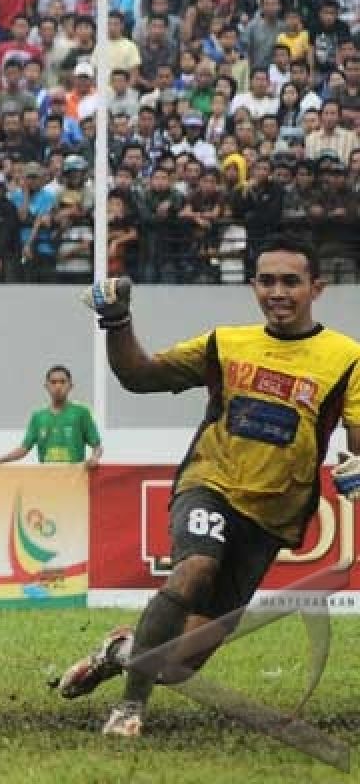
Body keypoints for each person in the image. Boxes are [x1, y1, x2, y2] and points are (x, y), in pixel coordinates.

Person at [59, 234, 360, 737]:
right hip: (209, 484)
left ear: (317, 288)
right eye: (267, 281)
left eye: (291, 281)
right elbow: (139, 375)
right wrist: (116, 321)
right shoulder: (226, 344)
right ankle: (129, 710)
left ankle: (120, 651)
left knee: (181, 663)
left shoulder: (347, 358)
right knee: (195, 567)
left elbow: (357, 439)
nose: (278, 292)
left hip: (273, 519)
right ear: (253, 286)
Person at [0, 365, 103, 470]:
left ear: (70, 386)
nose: (58, 386)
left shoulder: (81, 413)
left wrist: (94, 458)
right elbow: (23, 449)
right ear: (46, 386)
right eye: (53, 382)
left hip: (75, 481)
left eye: (62, 382)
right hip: (45, 481)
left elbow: (97, 446)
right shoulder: (38, 417)